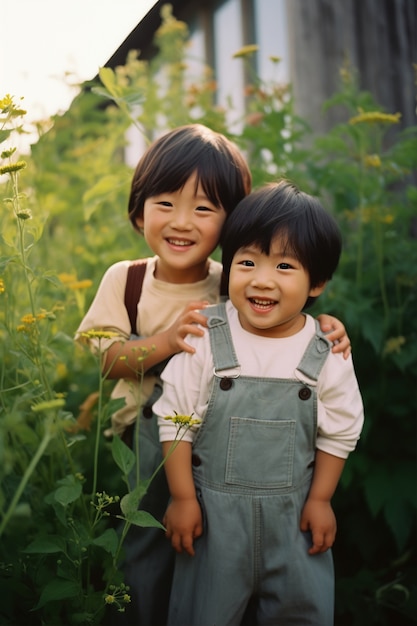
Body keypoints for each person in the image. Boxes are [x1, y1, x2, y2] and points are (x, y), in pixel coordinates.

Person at [76, 127, 351, 625]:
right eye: (165, 203)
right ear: (139, 210)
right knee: (144, 540)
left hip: (211, 440)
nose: (182, 222)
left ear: (231, 222)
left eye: (203, 209)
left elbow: (278, 318)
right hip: (141, 433)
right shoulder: (128, 279)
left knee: (202, 543)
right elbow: (106, 359)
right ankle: (139, 614)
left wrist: (324, 327)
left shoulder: (235, 275)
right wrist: (167, 340)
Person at [154, 180, 364, 626]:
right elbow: (176, 420)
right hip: (211, 521)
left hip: (294, 520)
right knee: (201, 613)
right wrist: (181, 497)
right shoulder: (206, 337)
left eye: (285, 266)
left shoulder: (324, 349)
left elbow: (340, 430)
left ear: (318, 282)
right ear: (227, 267)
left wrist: (322, 499)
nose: (261, 279)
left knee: (301, 611)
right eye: (246, 262)